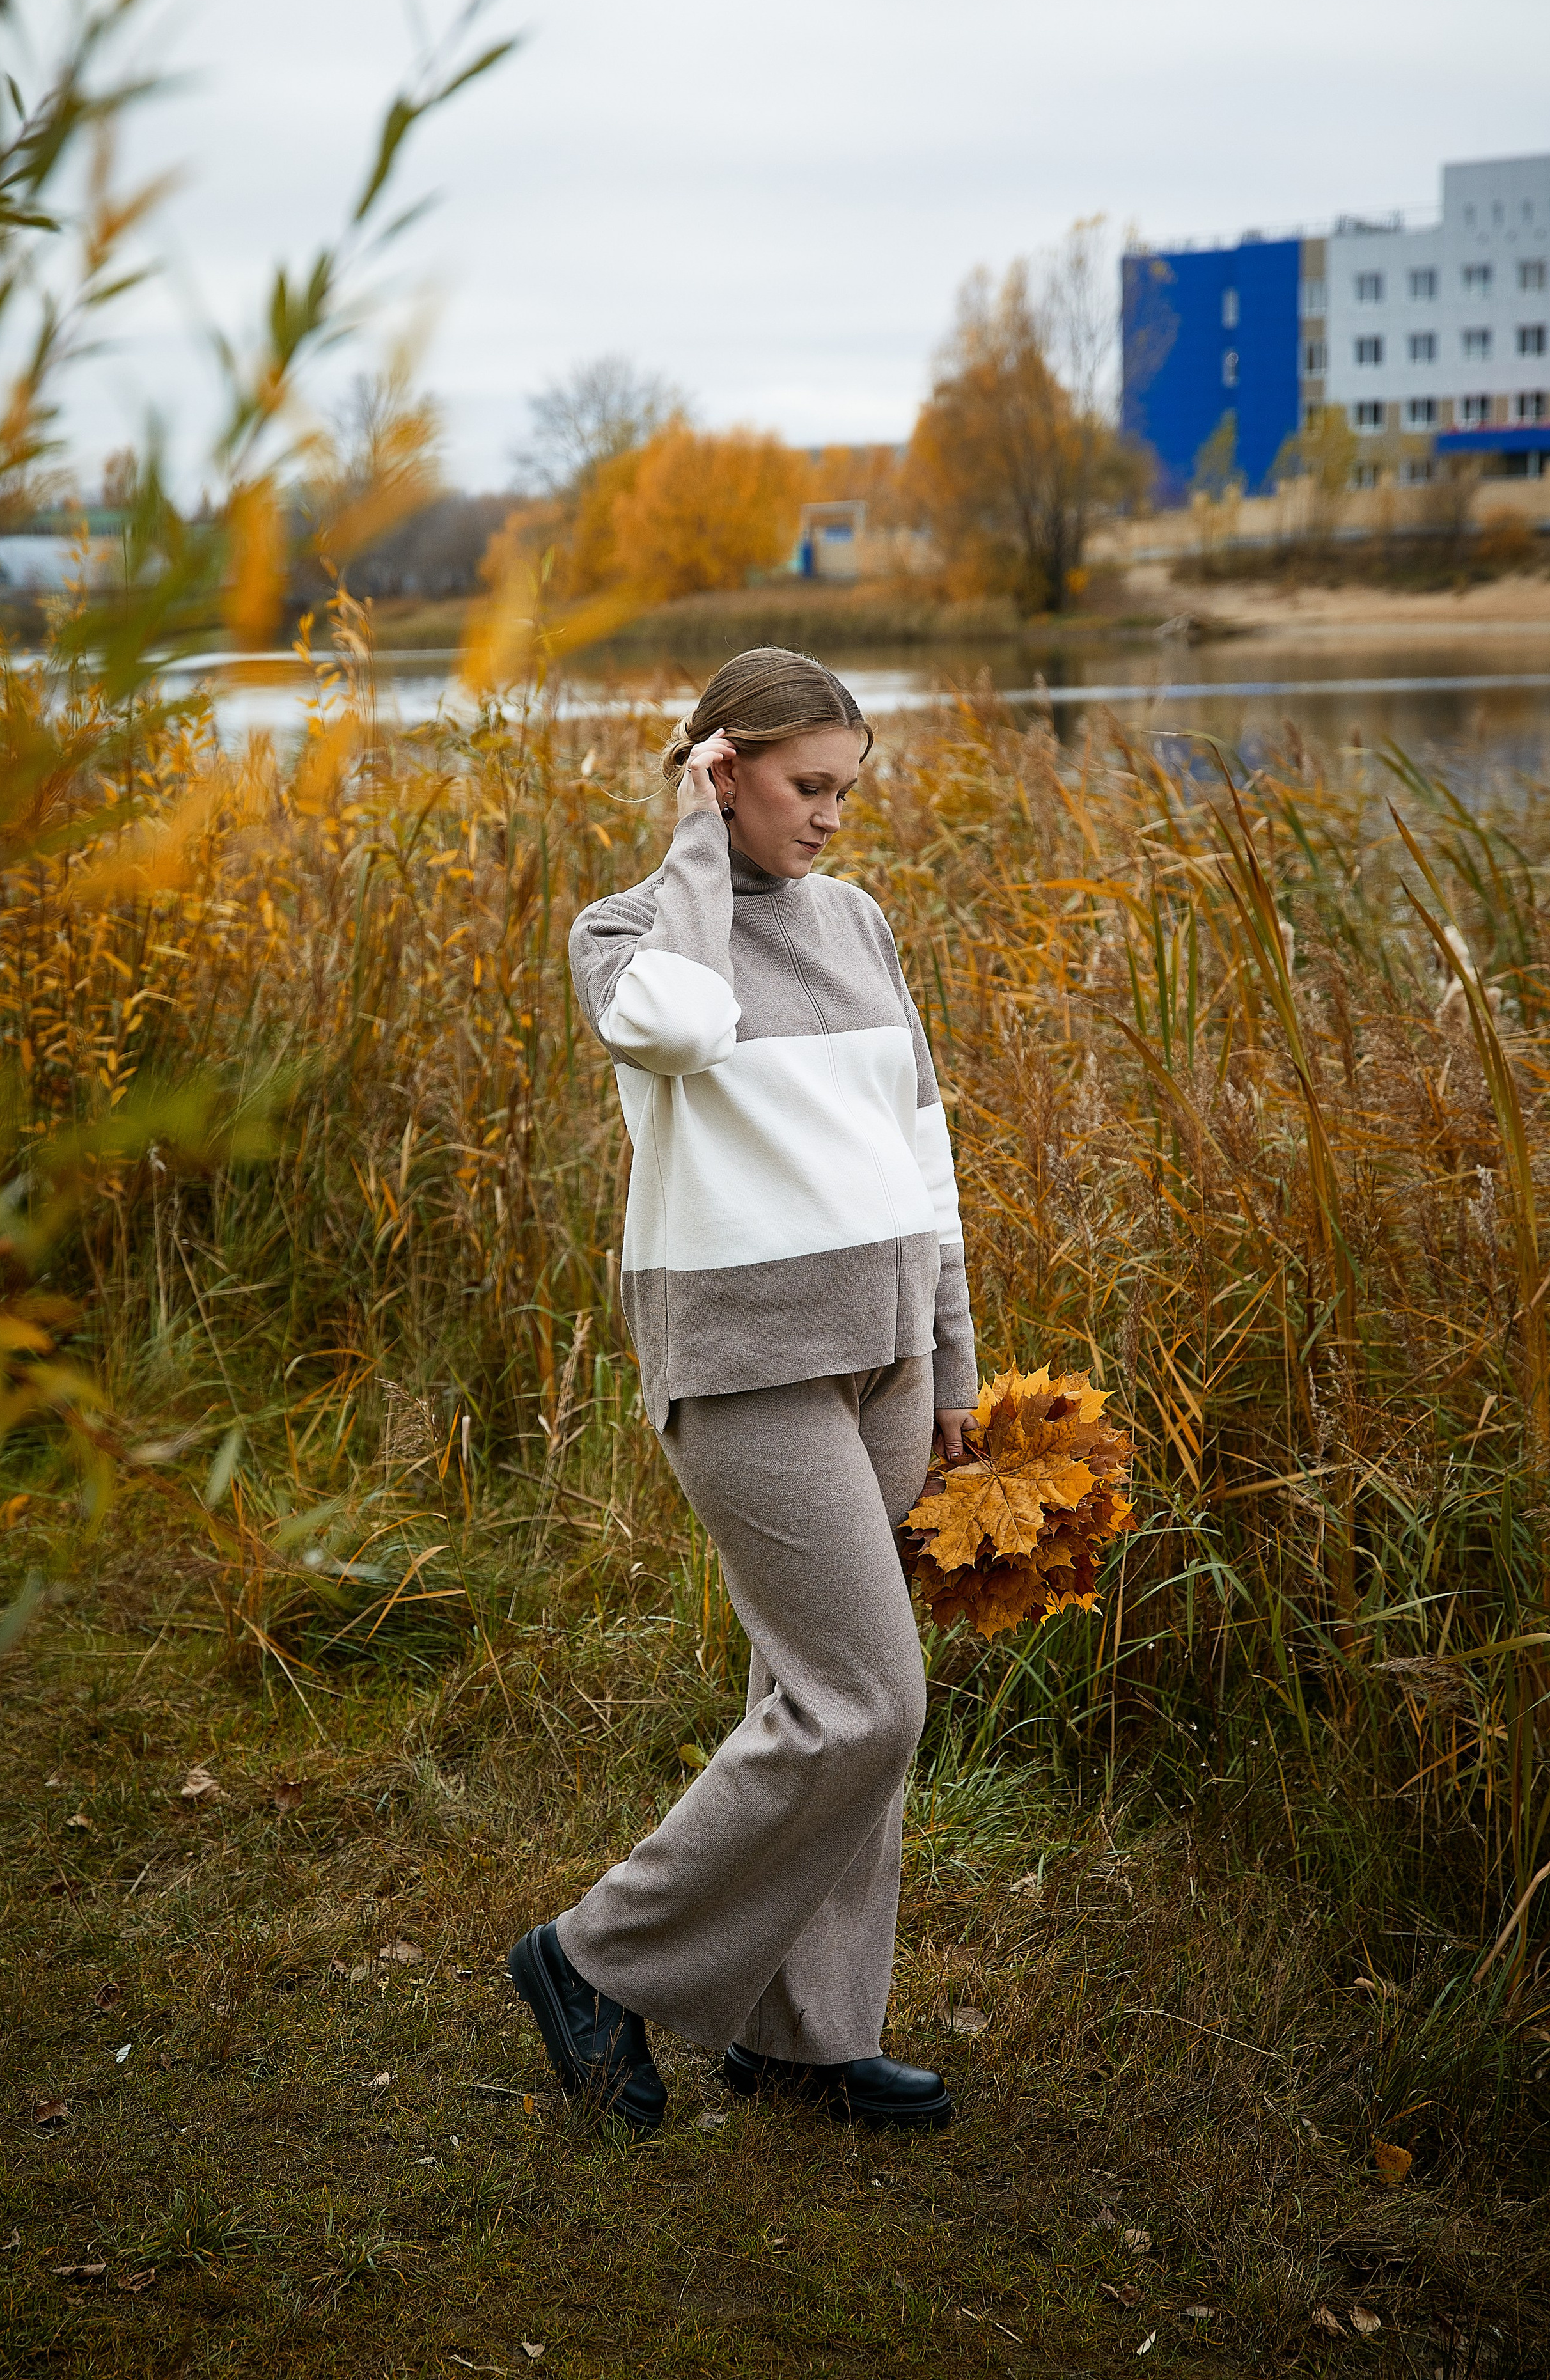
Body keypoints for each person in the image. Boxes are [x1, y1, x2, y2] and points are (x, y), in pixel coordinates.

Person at [508, 646, 979, 2136]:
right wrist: (698, 849)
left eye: (847, 787)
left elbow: (922, 1154)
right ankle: (590, 1959)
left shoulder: (859, 921)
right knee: (865, 1698)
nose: (832, 817)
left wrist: (953, 1358)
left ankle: (804, 2039)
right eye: (802, 785)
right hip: (743, 1356)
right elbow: (677, 1031)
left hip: (888, 1346)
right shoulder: (636, 932)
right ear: (722, 770)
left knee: (817, 1693)